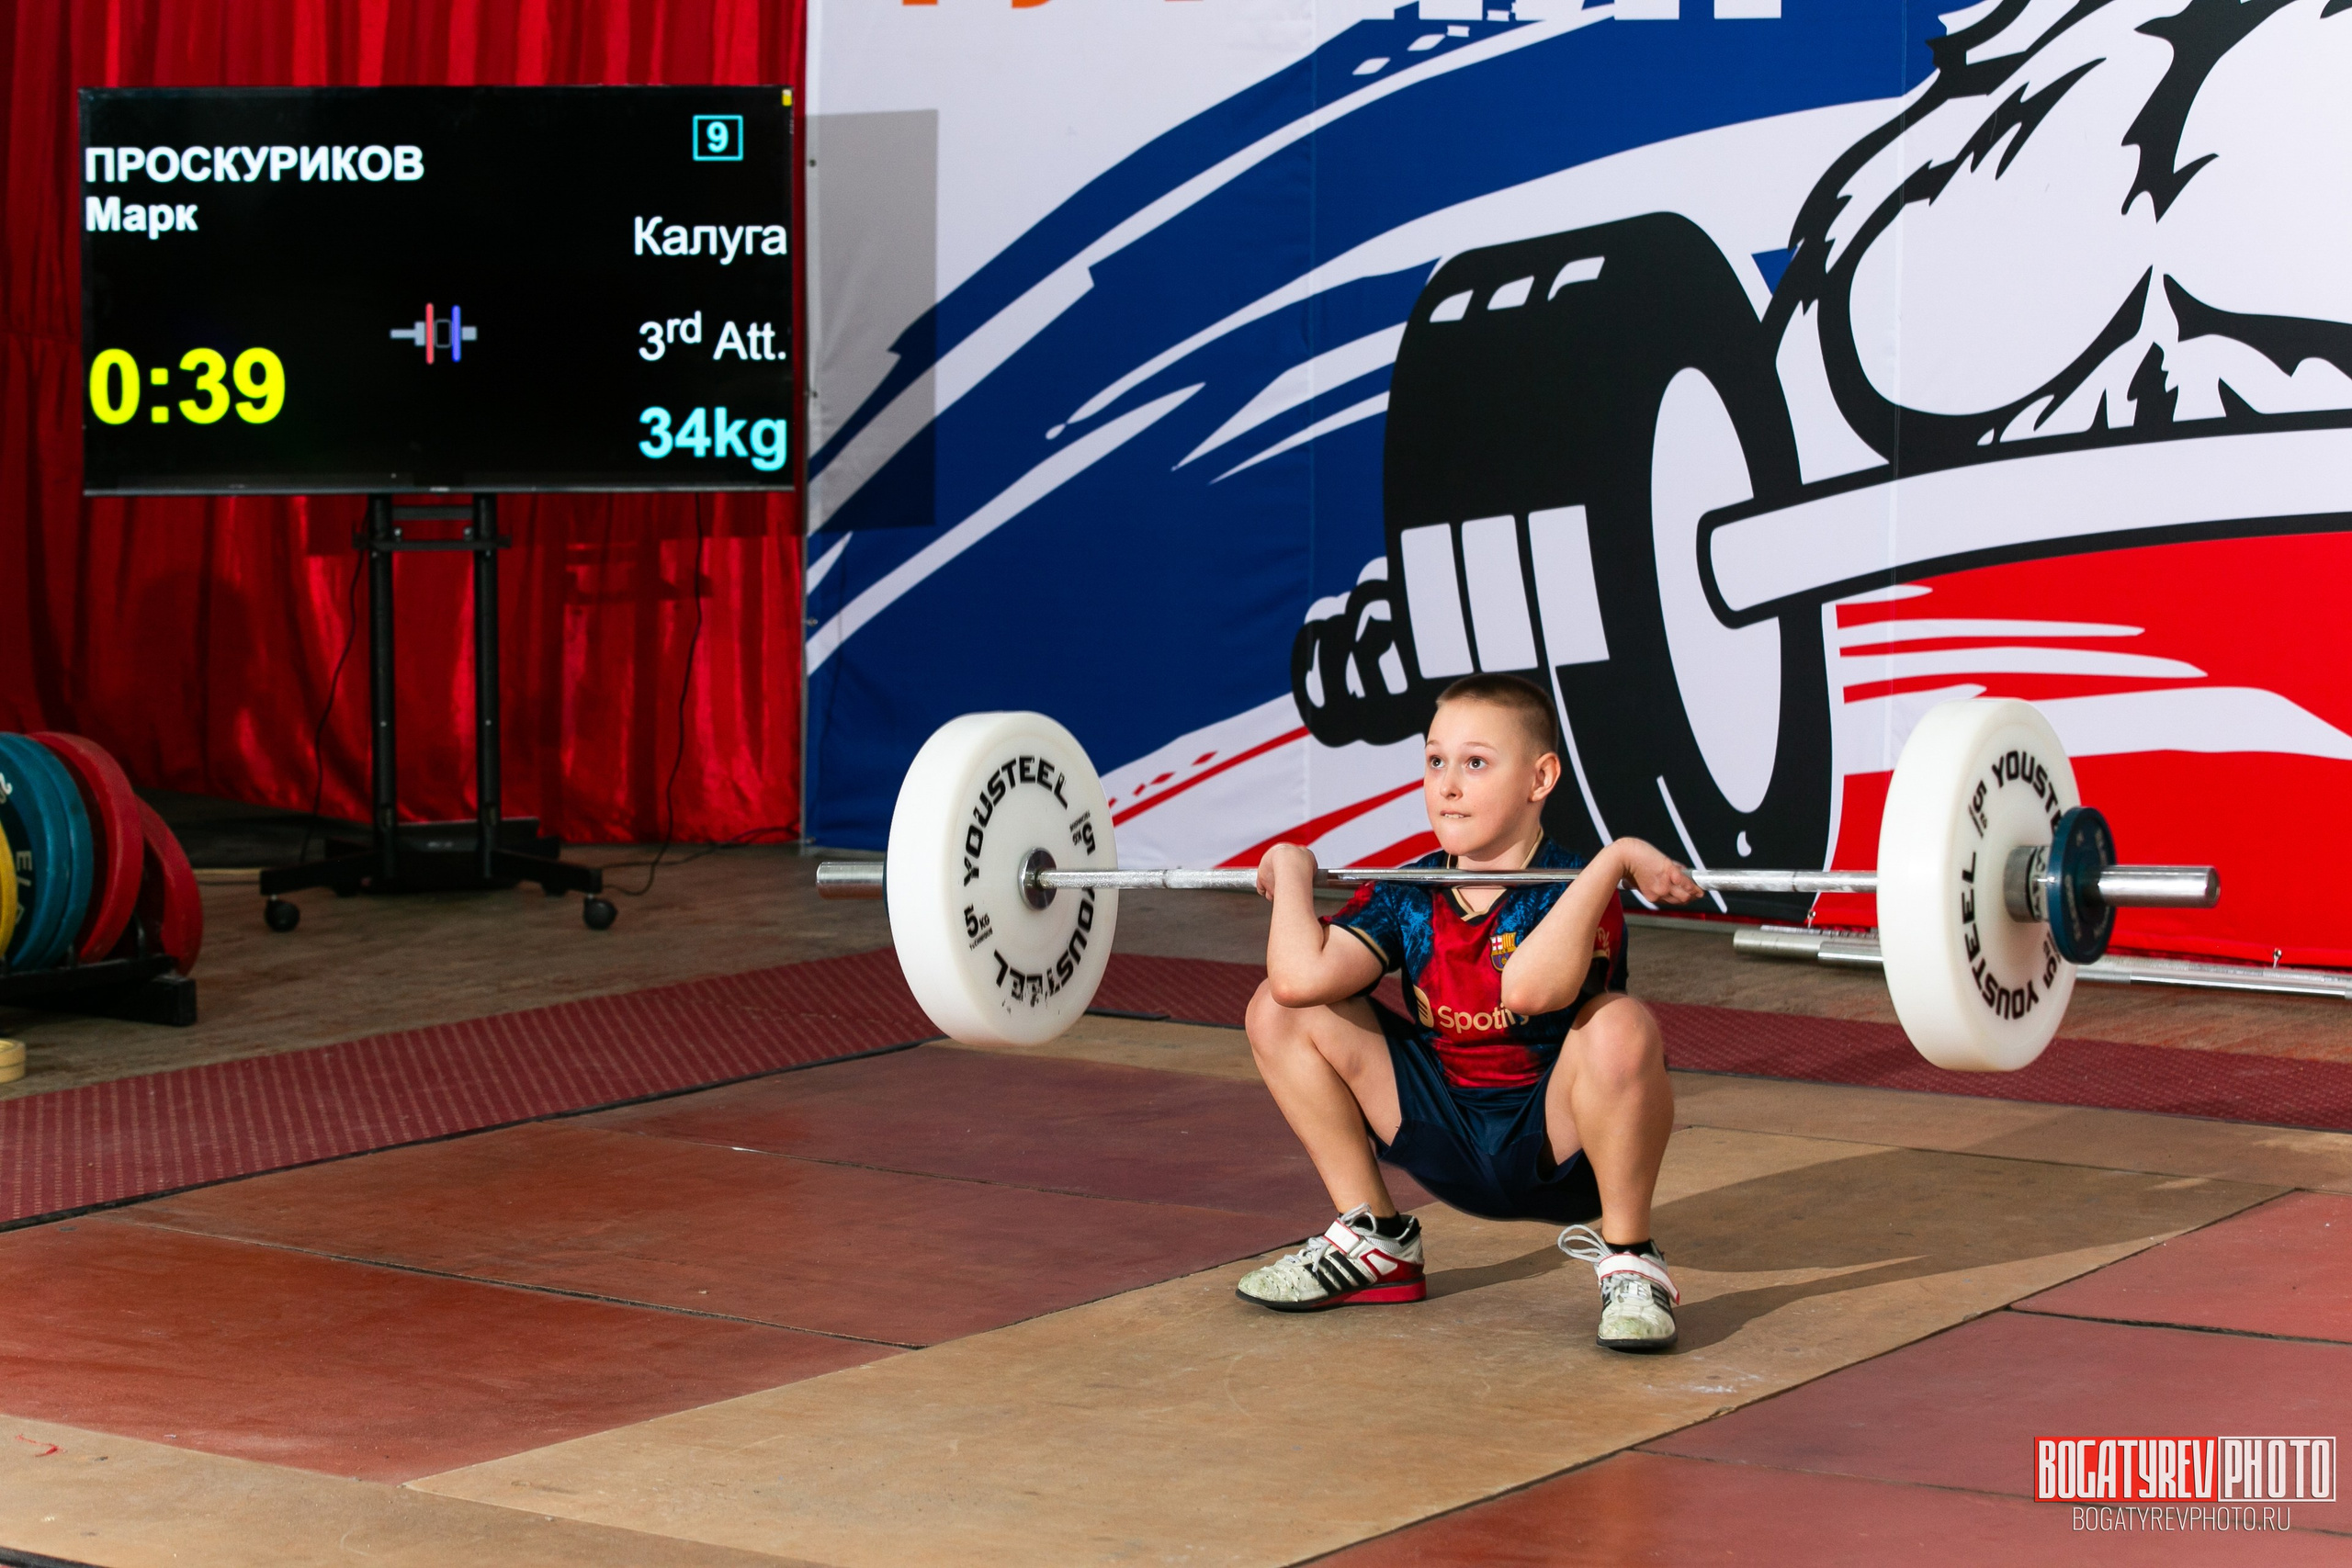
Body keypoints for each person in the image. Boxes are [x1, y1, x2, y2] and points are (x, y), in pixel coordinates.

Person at [1236, 671, 1702, 1351]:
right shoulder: (1410, 890)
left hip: (1559, 1150)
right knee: (1276, 1012)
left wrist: (1615, 859)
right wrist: (1292, 868)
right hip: (1443, 1128)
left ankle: (1631, 1261)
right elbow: (1298, 980)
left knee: (1623, 1026)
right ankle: (1375, 1240)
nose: (1447, 784)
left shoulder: (1573, 885)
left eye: (1475, 762)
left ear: (1541, 778)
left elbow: (1529, 992)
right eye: (1435, 761)